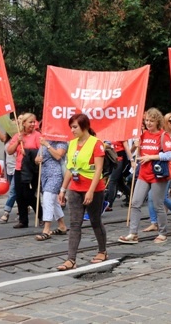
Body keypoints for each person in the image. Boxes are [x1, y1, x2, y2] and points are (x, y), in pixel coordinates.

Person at [56, 114, 107, 271]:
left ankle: (102, 251)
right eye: (71, 127)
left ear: (84, 127)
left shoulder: (96, 143)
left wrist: (91, 191)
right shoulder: (71, 144)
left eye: (75, 127)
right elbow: (70, 169)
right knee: (75, 223)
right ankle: (71, 259)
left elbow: (99, 169)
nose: (72, 130)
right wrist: (63, 189)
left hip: (93, 188)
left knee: (95, 221)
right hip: (76, 188)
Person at [119, 108, 171, 245]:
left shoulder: (163, 136)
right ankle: (133, 233)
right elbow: (133, 152)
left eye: (151, 120)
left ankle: (163, 233)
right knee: (135, 203)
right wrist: (135, 146)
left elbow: (170, 154)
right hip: (143, 174)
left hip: (158, 175)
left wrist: (151, 157)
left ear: (158, 121)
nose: (148, 123)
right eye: (146, 120)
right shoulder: (143, 135)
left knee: (158, 204)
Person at [6, 113, 42, 228]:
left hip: (31, 170)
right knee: (19, 195)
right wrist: (17, 141)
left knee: (28, 194)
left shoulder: (37, 135)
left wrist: (29, 152)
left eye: (34, 122)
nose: (33, 124)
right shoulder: (18, 135)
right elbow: (10, 151)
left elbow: (40, 151)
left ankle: (41, 214)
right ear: (24, 123)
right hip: (19, 169)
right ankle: (23, 220)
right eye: (30, 122)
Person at [34, 137, 68, 240]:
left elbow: (58, 156)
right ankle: (62, 226)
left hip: (55, 174)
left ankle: (46, 229)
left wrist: (47, 145)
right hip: (45, 175)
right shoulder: (44, 141)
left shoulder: (61, 141)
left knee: (47, 199)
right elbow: (37, 158)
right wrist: (37, 160)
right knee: (53, 201)